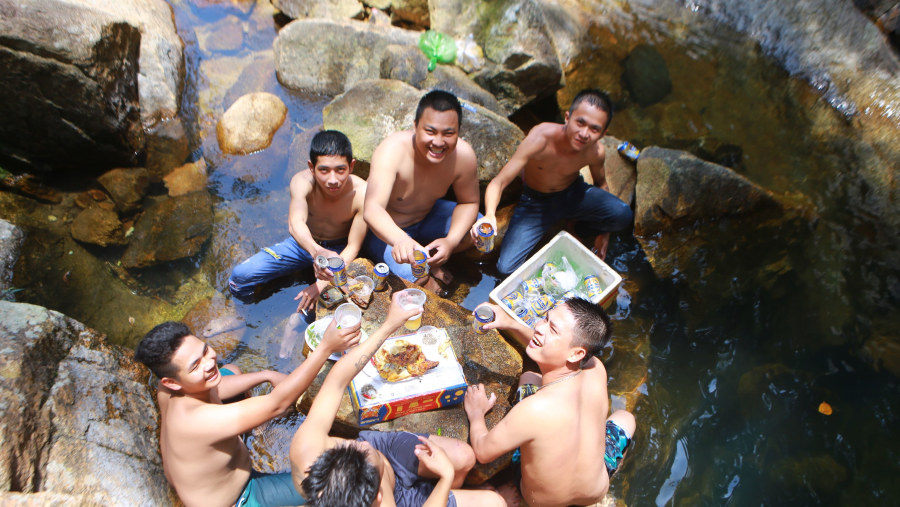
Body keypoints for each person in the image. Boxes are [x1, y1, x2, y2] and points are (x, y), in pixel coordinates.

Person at [289, 292, 505, 507]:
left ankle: (452, 488)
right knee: (495, 502)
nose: (361, 445)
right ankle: (445, 489)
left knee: (464, 456)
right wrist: (445, 478)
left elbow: (336, 380)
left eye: (348, 448)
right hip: (404, 500)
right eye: (367, 456)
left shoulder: (307, 451)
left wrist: (389, 324)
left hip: (390, 454)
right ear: (379, 499)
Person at [133, 319, 361, 507]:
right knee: (338, 477)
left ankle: (249, 416)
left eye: (205, 350)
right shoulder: (197, 421)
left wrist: (265, 374)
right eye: (195, 366)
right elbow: (278, 404)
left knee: (230, 371)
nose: (209, 362)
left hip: (207, 466)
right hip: (239, 496)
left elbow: (218, 387)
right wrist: (325, 348)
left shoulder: (169, 389)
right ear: (171, 382)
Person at [464, 298, 636, 507]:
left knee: (528, 377)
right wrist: (509, 322)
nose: (538, 327)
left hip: (542, 502)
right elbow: (557, 349)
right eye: (545, 319)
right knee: (626, 418)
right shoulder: (596, 369)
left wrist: (476, 413)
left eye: (552, 329)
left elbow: (482, 452)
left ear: (577, 353)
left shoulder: (534, 409)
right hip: (596, 491)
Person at [471, 89, 633, 276]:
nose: (584, 133)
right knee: (505, 267)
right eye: (580, 122)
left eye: (594, 129)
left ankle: (578, 227)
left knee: (623, 214)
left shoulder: (595, 152)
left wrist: (604, 234)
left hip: (574, 194)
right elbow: (499, 182)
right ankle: (567, 225)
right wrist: (490, 215)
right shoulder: (540, 138)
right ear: (567, 118)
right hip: (536, 203)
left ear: (603, 133)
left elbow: (601, 184)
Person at [228, 130, 367, 311]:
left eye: (340, 170)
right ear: (311, 167)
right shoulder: (302, 182)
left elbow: (354, 246)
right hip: (302, 244)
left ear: (351, 166)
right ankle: (243, 314)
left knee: (317, 306)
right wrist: (317, 251)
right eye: (324, 170)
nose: (333, 180)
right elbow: (295, 224)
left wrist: (322, 284)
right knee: (239, 278)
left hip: (338, 252)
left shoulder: (362, 193)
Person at [363, 90, 480, 294]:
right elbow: (372, 209)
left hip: (427, 216)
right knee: (419, 279)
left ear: (458, 131)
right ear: (415, 126)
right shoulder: (392, 150)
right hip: (388, 230)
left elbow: (469, 202)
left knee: (476, 230)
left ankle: (432, 257)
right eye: (430, 131)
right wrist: (400, 239)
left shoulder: (463, 156)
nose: (438, 142)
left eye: (448, 133)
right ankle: (427, 267)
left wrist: (451, 241)